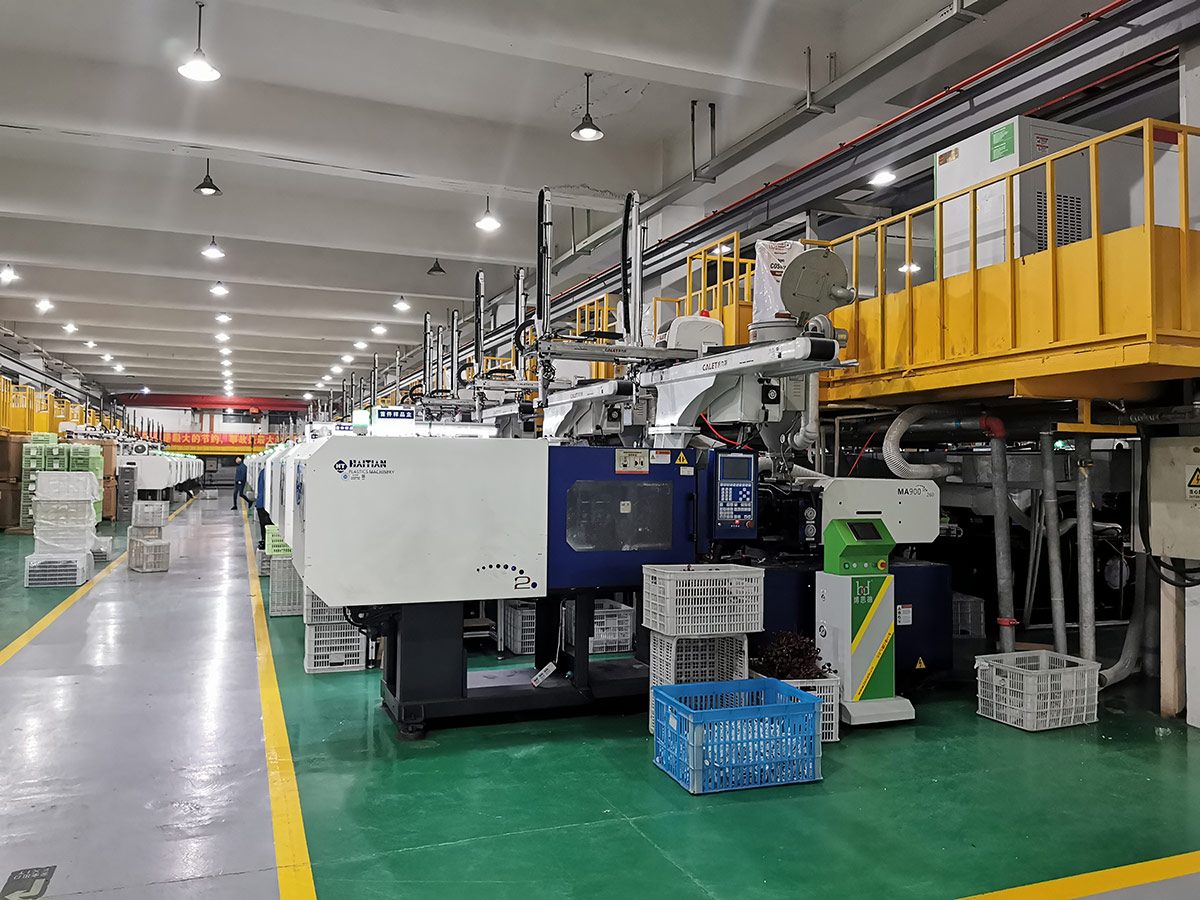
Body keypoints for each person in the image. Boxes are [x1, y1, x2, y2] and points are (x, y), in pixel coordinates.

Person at [255, 465, 272, 549]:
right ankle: (267, 542)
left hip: (260, 502)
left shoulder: (263, 472)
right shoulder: (271, 472)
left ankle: (264, 540)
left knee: (263, 524)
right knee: (268, 524)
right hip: (266, 503)